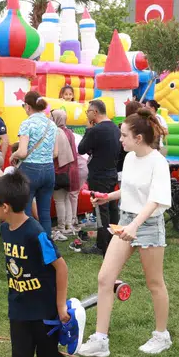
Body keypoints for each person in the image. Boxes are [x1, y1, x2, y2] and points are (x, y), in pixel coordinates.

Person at [78, 108, 173, 357]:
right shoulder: (130, 158)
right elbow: (130, 189)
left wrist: (135, 226)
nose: (120, 139)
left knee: (154, 283)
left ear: (138, 138)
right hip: (126, 221)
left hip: (148, 224)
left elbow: (155, 199)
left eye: (124, 135)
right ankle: (100, 340)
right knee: (105, 278)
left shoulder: (158, 162)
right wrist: (108, 197)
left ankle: (161, 335)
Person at [0, 171, 78, 357]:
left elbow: (61, 267)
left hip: (43, 311)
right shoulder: (5, 230)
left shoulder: (36, 234)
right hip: (18, 309)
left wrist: (60, 306)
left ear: (5, 206)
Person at [72, 100, 121, 256]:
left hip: (99, 175)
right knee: (112, 208)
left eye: (88, 111)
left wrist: (88, 129)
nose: (87, 114)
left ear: (95, 112)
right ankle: (114, 240)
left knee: (101, 210)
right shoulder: (115, 128)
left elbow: (81, 149)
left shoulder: (95, 130)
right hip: (112, 172)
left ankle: (102, 245)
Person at [11, 91, 58, 234]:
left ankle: (29, 242)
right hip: (49, 170)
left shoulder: (27, 124)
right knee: (45, 213)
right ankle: (45, 244)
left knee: (26, 212)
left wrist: (13, 155)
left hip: (30, 170)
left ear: (27, 106)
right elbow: (55, 153)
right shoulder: (52, 124)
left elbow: (22, 152)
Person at [49, 109, 80, 241]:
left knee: (59, 200)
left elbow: (55, 154)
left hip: (60, 169)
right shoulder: (69, 132)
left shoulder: (56, 132)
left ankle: (62, 227)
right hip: (71, 170)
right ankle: (69, 225)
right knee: (66, 198)